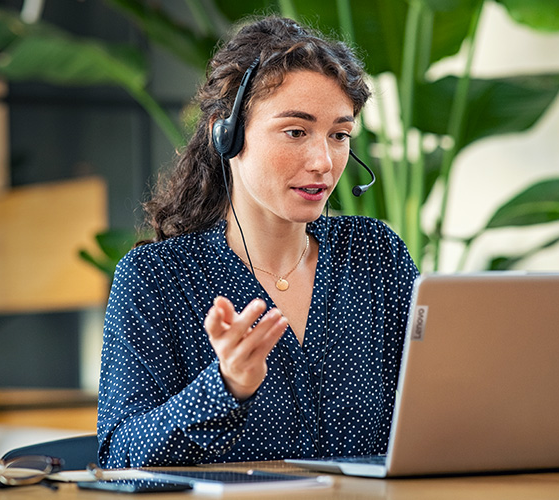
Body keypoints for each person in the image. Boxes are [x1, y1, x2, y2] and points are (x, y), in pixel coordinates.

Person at [97, 16, 419, 468]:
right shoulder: (157, 278)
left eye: (339, 135)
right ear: (225, 133)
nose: (323, 161)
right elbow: (119, 455)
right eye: (295, 131)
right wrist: (226, 387)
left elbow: (438, 406)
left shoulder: (375, 254)